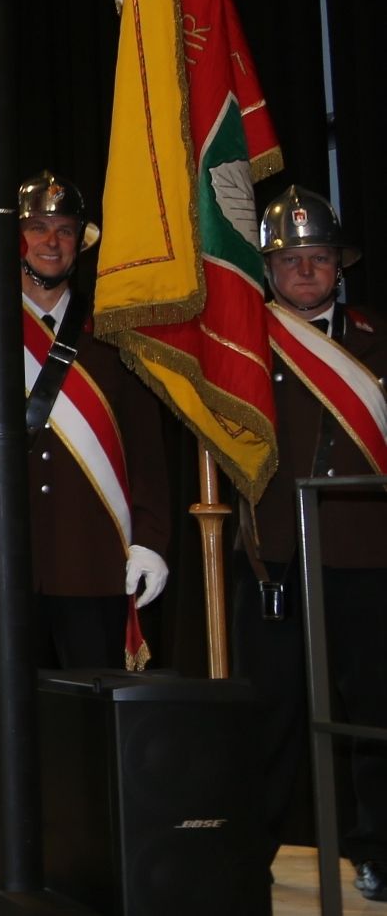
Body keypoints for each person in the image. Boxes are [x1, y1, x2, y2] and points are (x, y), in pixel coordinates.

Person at [0, 173, 170, 750]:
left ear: (80, 243)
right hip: (0, 549)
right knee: (3, 721)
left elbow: (146, 451)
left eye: (66, 230)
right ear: (15, 240)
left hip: (90, 554)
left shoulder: (114, 333)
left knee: (92, 727)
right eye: (38, 227)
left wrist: (150, 539)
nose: (52, 241)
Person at [235, 185, 387, 895]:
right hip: (274, 555)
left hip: (365, 554)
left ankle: (376, 849)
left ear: (338, 267)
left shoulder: (375, 338)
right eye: (290, 259)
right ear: (268, 270)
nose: (304, 271)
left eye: (317, 257)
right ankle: (251, 852)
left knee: (374, 712)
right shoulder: (241, 344)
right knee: (269, 717)